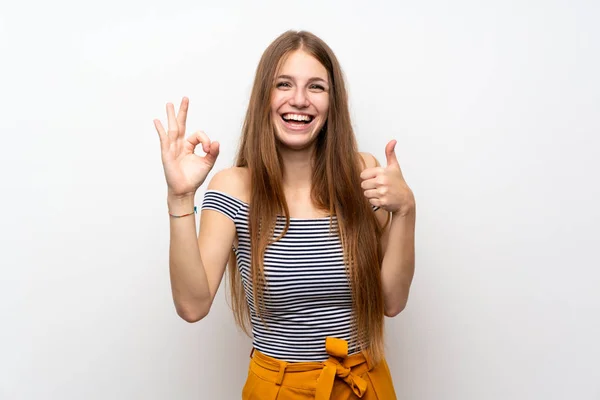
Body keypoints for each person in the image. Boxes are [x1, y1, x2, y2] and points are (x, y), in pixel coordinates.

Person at [154, 30, 416, 400]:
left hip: (364, 384)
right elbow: (192, 306)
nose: (299, 100)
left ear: (332, 101)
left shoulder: (362, 173)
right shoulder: (232, 189)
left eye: (316, 87)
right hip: (278, 389)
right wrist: (180, 197)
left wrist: (406, 210)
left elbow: (392, 301)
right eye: (284, 84)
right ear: (265, 97)